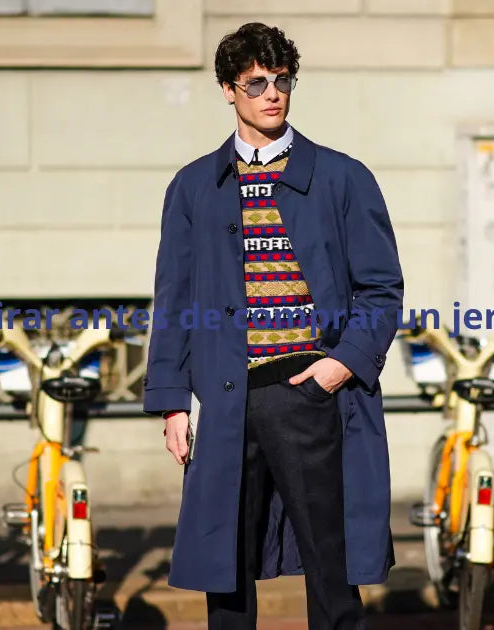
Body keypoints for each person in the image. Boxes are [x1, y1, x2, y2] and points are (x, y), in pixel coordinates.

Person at [143, 22, 404, 630]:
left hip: (309, 393)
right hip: (224, 399)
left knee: (330, 567)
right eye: (256, 82)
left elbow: (382, 289)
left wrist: (338, 368)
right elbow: (175, 300)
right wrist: (172, 403)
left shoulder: (343, 177)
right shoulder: (192, 187)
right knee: (224, 571)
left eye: (282, 79)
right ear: (228, 90)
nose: (272, 93)